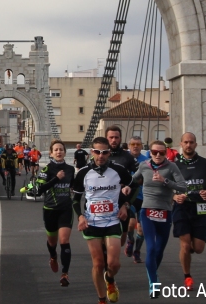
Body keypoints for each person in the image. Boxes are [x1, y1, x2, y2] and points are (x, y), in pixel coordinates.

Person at [73, 136, 134, 304]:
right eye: (97, 152)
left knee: (113, 264)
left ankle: (110, 278)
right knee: (98, 264)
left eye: (105, 152)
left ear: (109, 153)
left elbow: (134, 186)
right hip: (92, 222)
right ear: (92, 152)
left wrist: (125, 205)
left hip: (112, 221)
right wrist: (80, 216)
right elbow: (75, 200)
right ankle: (101, 299)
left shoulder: (118, 170)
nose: (101, 156)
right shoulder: (83, 173)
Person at [131, 140, 187, 296]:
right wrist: (127, 186)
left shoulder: (171, 167)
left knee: (160, 249)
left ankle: (153, 273)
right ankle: (154, 282)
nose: (157, 155)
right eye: (154, 152)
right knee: (151, 248)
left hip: (165, 211)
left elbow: (183, 186)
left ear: (165, 153)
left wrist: (165, 181)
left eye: (161, 152)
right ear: (150, 152)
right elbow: (134, 179)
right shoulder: (144, 166)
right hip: (147, 211)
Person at [173, 132, 206, 291]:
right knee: (184, 245)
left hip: (200, 207)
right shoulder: (173, 164)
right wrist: (174, 195)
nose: (188, 145)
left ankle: (190, 248)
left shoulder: (204, 163)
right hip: (182, 207)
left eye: (191, 142)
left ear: (195, 144)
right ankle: (187, 276)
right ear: (181, 144)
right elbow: (166, 184)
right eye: (186, 142)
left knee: (198, 248)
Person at [31, 140, 76, 287]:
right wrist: (56, 178)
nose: (58, 152)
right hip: (50, 209)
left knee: (64, 241)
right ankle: (53, 256)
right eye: (55, 150)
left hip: (65, 209)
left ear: (65, 152)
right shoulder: (46, 169)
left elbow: (75, 187)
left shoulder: (70, 169)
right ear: (51, 153)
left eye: (61, 149)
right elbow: (40, 189)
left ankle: (65, 274)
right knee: (52, 242)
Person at [105, 125, 140, 253]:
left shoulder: (128, 157)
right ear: (106, 138)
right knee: (106, 244)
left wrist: (128, 187)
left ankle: (127, 241)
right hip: (104, 202)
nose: (114, 140)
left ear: (120, 139)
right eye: (111, 137)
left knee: (120, 242)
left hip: (122, 202)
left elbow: (138, 181)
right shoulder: (100, 156)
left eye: (116, 137)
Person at [125, 136, 150, 263]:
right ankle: (130, 240)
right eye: (133, 144)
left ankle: (137, 251)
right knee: (130, 223)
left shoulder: (146, 161)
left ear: (142, 146)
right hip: (129, 198)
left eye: (138, 144)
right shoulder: (125, 159)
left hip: (143, 198)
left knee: (142, 228)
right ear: (129, 145)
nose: (135, 146)